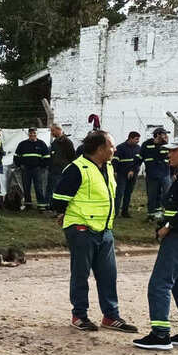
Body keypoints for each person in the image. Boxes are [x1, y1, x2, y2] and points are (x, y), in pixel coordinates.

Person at [50, 130, 138, 333]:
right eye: (112, 146)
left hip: (105, 230)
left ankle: (111, 316)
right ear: (100, 149)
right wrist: (65, 213)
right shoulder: (76, 169)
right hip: (82, 229)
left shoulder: (107, 166)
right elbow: (58, 199)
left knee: (108, 275)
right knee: (81, 274)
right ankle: (79, 315)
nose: (114, 149)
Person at [133, 136, 178, 350]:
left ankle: (160, 334)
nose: (169, 154)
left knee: (160, 284)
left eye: (174, 150)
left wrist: (168, 227)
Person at [13, 127, 50, 209]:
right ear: (28, 134)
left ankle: (41, 205)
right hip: (26, 169)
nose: (32, 134)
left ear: (37, 134)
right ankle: (28, 204)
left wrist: (42, 166)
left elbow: (47, 157)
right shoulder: (22, 144)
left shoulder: (42, 144)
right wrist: (20, 165)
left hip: (37, 169)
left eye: (34, 133)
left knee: (39, 187)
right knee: (26, 187)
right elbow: (16, 156)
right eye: (31, 133)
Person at [140, 127, 171, 218]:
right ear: (157, 135)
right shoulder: (147, 144)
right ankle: (151, 213)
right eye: (164, 134)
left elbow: (170, 160)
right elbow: (140, 157)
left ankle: (164, 212)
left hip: (165, 174)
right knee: (152, 194)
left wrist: (174, 173)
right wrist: (133, 169)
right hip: (152, 174)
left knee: (167, 193)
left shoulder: (166, 146)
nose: (166, 136)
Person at [46, 124, 76, 210]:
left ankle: (59, 208)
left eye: (53, 131)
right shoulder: (55, 142)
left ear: (59, 130)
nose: (52, 133)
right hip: (53, 170)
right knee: (51, 189)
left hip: (62, 170)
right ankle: (51, 206)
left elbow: (72, 157)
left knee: (59, 190)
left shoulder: (67, 142)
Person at [112, 131, 141, 218]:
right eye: (136, 139)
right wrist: (115, 171)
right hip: (121, 174)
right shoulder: (120, 147)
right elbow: (115, 160)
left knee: (128, 193)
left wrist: (133, 171)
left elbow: (138, 162)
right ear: (130, 138)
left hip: (133, 174)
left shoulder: (138, 148)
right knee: (119, 193)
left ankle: (125, 212)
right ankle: (115, 213)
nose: (138, 141)